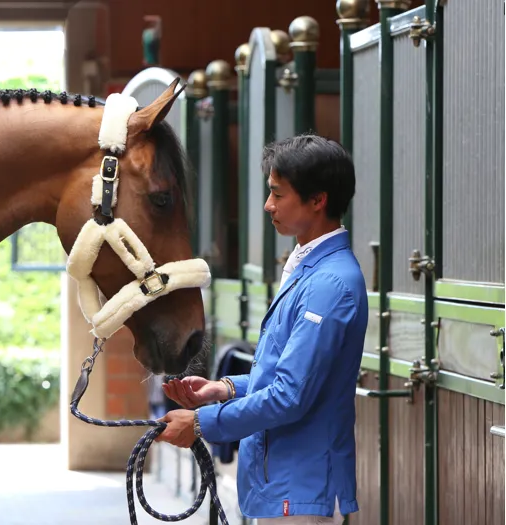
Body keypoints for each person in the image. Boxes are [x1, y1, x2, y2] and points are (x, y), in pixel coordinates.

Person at [155, 135, 367, 524]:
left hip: (301, 488)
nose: (268, 205)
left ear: (317, 200)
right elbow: (292, 378)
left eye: (278, 194)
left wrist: (201, 423)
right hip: (286, 482)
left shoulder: (329, 283)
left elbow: (289, 395)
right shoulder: (309, 268)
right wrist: (224, 389)